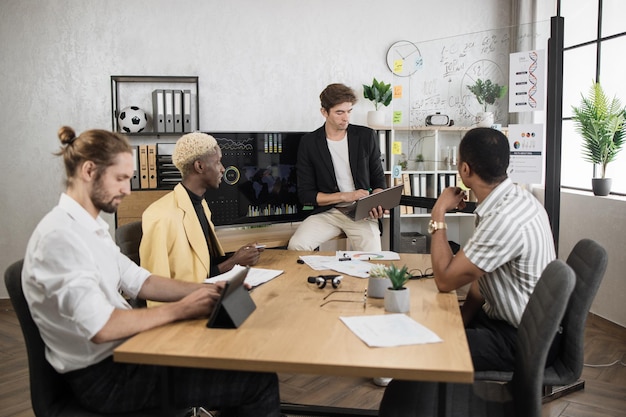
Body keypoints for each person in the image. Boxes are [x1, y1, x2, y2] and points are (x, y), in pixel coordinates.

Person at [21, 126, 281, 416]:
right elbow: (101, 327)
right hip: (106, 378)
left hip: (128, 354)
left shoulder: (89, 227)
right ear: (89, 171)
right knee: (257, 382)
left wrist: (206, 290)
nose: (127, 190)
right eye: (120, 179)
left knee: (245, 363)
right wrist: (182, 309)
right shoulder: (59, 238)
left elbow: (139, 280)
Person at [378, 127, 556, 414]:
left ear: (464, 169)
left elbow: (446, 279)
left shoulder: (503, 220)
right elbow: (479, 275)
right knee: (434, 325)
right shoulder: (515, 201)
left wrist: (438, 213)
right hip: (513, 323)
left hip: (521, 340)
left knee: (416, 353)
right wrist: (462, 319)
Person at [140, 132, 263, 294]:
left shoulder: (201, 204)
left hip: (207, 293)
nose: (223, 169)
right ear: (200, 166)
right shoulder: (161, 216)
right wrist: (233, 262)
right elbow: (156, 289)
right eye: (218, 162)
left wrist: (238, 256)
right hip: (187, 306)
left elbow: (204, 263)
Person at [287, 83, 387, 251]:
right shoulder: (309, 143)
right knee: (297, 246)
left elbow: (378, 179)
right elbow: (306, 195)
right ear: (324, 112)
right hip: (328, 213)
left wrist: (376, 201)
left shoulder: (366, 136)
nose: (345, 118)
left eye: (349, 111)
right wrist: (345, 196)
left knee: (372, 257)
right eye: (339, 112)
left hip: (361, 214)